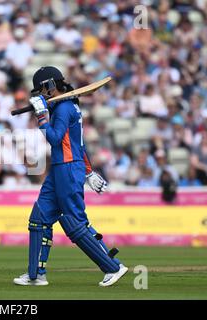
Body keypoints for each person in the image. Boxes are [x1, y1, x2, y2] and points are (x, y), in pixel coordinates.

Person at [13, 66, 128, 287]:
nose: (39, 93)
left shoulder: (64, 108)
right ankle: (36, 274)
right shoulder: (66, 106)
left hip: (66, 167)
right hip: (62, 167)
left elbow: (55, 139)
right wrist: (88, 171)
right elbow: (77, 145)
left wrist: (41, 117)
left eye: (41, 89)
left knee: (75, 222)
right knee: (39, 219)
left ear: (50, 86)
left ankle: (113, 266)